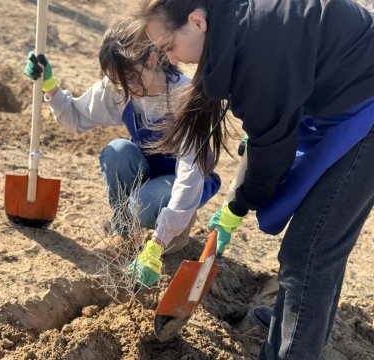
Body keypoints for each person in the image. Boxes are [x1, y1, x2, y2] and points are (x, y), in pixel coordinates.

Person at [137, 0, 374, 359]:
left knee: (311, 247)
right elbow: (263, 132)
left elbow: (272, 148)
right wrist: (241, 198)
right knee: (319, 244)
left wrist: (240, 202)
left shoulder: (255, 48)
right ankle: (294, 329)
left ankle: (292, 350)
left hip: (365, 108)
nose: (171, 59)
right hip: (338, 98)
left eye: (169, 47)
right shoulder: (235, 28)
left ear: (197, 22)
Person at [24, 17, 221, 284]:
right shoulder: (120, 87)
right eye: (117, 81)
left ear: (152, 58)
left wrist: (157, 243)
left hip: (184, 182)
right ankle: (126, 234)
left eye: (129, 78)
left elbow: (190, 174)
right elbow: (76, 117)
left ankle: (174, 234)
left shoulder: (185, 97)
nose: (126, 90)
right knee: (117, 152)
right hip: (149, 171)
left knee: (144, 203)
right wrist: (49, 86)